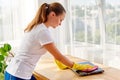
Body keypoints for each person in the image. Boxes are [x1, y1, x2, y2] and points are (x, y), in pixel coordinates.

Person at [4, 2, 97, 80]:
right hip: (18, 75)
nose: (60, 24)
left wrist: (61, 62)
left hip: (17, 72)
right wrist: (77, 66)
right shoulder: (42, 31)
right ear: (53, 14)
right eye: (60, 19)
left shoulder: (39, 27)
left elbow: (53, 52)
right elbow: (59, 56)